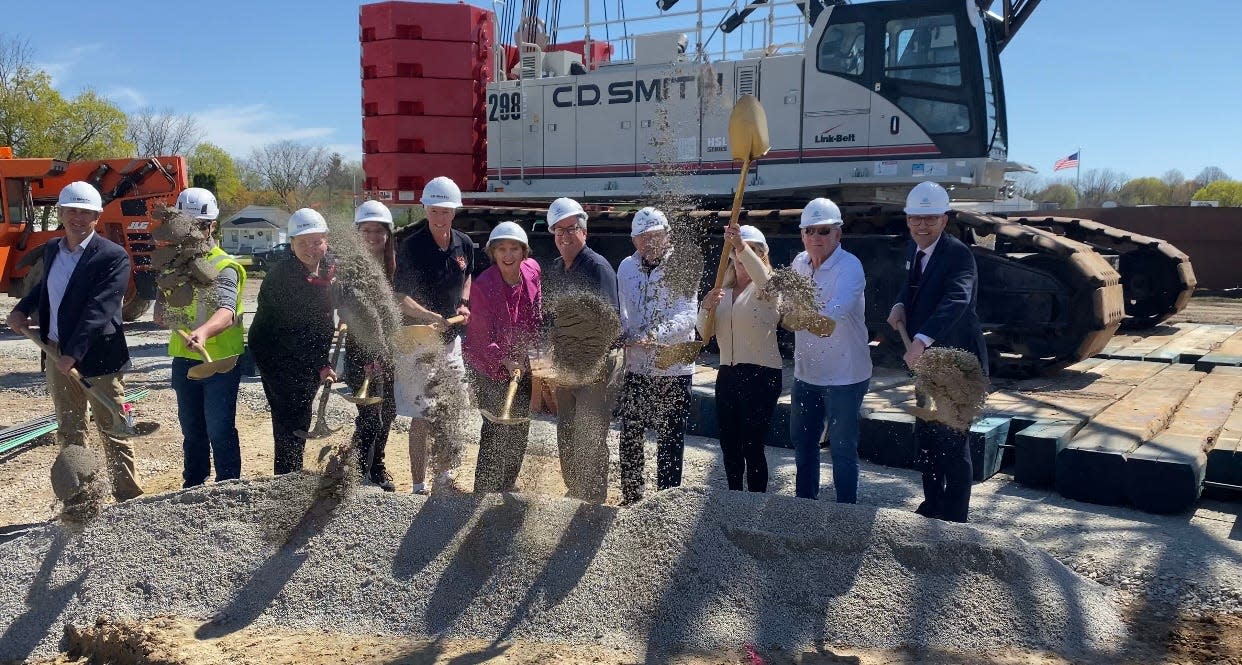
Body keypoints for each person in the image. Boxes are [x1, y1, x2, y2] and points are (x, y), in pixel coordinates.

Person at [6, 181, 144, 501]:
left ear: (97, 216)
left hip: (100, 358)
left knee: (115, 426)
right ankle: (82, 498)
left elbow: (100, 309)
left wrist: (74, 353)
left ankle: (129, 498)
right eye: (72, 211)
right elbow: (44, 289)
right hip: (56, 354)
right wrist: (22, 309)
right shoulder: (53, 248)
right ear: (61, 213)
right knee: (69, 429)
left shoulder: (113, 256)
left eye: (85, 212)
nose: (78, 218)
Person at [887, 181, 988, 523]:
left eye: (930, 218)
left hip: (957, 364)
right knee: (928, 437)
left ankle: (955, 515)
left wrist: (921, 339)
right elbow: (911, 284)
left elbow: (957, 299)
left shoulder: (958, 254)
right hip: (928, 367)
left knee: (953, 439)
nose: (922, 225)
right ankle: (933, 504)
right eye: (916, 218)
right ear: (908, 220)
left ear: (944, 220)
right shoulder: (915, 251)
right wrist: (901, 304)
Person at [159, 187, 246, 487]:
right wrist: (163, 313)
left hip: (220, 362)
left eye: (199, 226)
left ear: (211, 226)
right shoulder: (173, 264)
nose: (191, 233)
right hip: (184, 360)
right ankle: (193, 486)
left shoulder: (223, 265)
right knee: (192, 429)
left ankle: (228, 486)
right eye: (186, 226)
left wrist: (205, 331)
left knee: (219, 429)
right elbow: (164, 309)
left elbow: (227, 309)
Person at [788, 198, 872, 502]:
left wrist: (795, 316)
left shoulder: (850, 267)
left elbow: (828, 321)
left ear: (838, 233)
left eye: (823, 231)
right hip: (807, 373)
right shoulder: (798, 263)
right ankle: (805, 507)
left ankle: (846, 515)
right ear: (801, 234)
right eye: (809, 231)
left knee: (842, 447)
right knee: (804, 442)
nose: (816, 238)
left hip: (845, 376)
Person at [392, 176, 473, 494]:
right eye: (435, 210)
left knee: (451, 408)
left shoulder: (463, 243)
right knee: (422, 414)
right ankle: (417, 484)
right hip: (419, 343)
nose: (441, 217)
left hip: (451, 343)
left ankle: (444, 478)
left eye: (447, 211)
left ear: (455, 212)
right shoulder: (412, 247)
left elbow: (468, 277)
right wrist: (428, 316)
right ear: (425, 209)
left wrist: (465, 303)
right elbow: (400, 296)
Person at [616, 207, 697, 506]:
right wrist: (622, 334)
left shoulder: (683, 265)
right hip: (637, 367)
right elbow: (622, 311)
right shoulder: (626, 268)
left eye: (655, 236)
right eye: (642, 237)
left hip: (672, 367)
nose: (649, 242)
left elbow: (689, 315)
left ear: (667, 236)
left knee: (671, 439)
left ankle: (665, 503)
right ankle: (632, 499)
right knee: (631, 435)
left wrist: (654, 336)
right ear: (634, 240)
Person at [248, 208, 337, 475]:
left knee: (302, 410)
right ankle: (287, 477)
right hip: (276, 353)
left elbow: (326, 311)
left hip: (308, 349)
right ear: (292, 244)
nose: (311, 249)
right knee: (290, 418)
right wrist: (320, 364)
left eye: (316, 241)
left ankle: (292, 472)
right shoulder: (283, 278)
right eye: (302, 243)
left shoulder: (330, 267)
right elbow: (292, 333)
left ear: (326, 241)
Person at [546, 197, 621, 503]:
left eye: (571, 229)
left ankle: (593, 499)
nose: (564, 236)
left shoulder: (597, 268)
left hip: (594, 368)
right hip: (566, 366)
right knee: (566, 434)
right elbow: (550, 317)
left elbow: (609, 322)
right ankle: (575, 489)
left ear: (584, 231)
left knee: (589, 436)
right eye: (558, 231)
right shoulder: (555, 268)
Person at [698, 224, 781, 493]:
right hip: (728, 373)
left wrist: (742, 246)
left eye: (754, 251)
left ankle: (756, 500)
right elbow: (705, 334)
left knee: (752, 443)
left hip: (761, 374)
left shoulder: (769, 288)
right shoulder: (723, 293)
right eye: (737, 253)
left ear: (762, 255)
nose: (743, 258)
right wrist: (705, 307)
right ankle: (734, 496)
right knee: (729, 443)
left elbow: (764, 279)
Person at [464, 222, 542, 493]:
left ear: (524, 252)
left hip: (522, 363)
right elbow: (479, 338)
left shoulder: (532, 272)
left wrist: (530, 353)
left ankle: (507, 484)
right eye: (501, 250)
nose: (508, 256)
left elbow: (535, 314)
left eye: (514, 249)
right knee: (496, 427)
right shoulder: (483, 286)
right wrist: (504, 361)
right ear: (493, 253)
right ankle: (484, 489)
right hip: (488, 365)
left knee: (520, 425)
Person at [346, 200, 399, 491]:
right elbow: (353, 313)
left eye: (379, 231)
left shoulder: (392, 266)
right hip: (360, 353)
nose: (373, 237)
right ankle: (359, 470)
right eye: (367, 231)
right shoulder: (350, 268)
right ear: (357, 233)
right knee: (369, 415)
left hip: (388, 353)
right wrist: (369, 353)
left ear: (387, 234)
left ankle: (374, 466)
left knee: (387, 412)